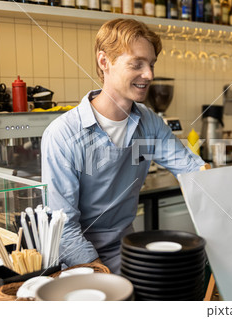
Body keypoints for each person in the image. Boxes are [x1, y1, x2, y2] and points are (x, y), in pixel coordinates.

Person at [41, 18, 208, 274]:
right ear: (104, 62)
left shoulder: (148, 121)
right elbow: (64, 229)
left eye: (151, 64)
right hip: (77, 261)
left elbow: (191, 169)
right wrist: (100, 273)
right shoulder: (63, 134)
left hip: (128, 252)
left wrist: (225, 193)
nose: (149, 75)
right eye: (137, 64)